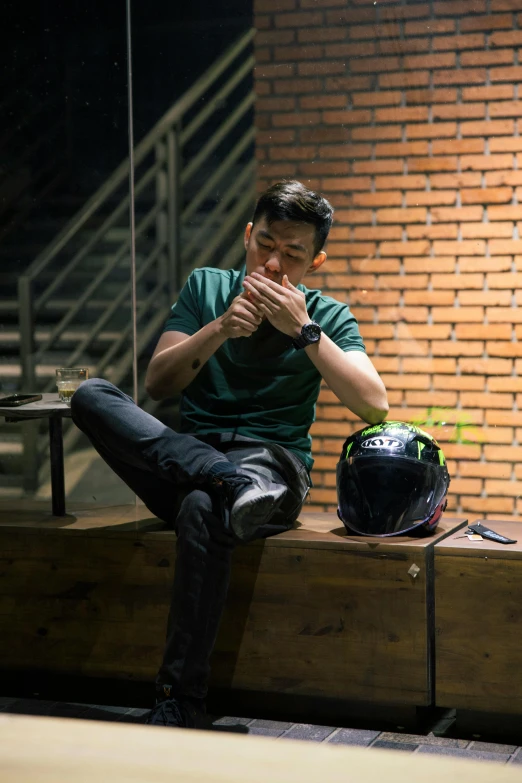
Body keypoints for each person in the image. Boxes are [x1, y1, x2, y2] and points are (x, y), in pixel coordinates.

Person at [70, 179, 388, 728]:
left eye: (292, 254)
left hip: (274, 471)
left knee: (200, 506)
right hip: (191, 454)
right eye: (265, 244)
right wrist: (220, 328)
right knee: (90, 396)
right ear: (247, 235)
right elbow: (160, 384)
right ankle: (221, 478)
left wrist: (303, 331)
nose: (273, 264)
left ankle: (179, 700)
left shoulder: (328, 316)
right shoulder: (206, 288)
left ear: (316, 261)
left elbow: (374, 406)